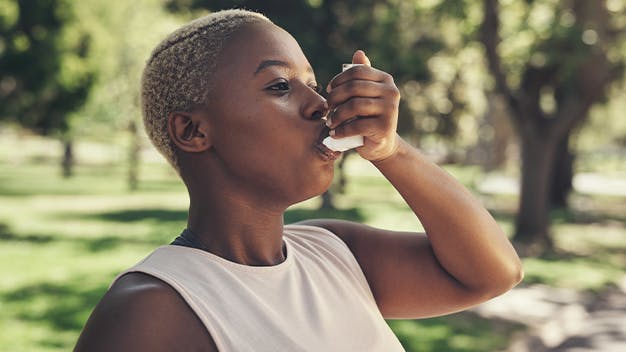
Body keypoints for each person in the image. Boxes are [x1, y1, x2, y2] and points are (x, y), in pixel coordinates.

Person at [74, 9, 523, 352]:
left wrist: (391, 150)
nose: (319, 105)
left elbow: (492, 273)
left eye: (312, 83)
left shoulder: (333, 252)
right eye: (279, 87)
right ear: (193, 131)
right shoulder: (152, 310)